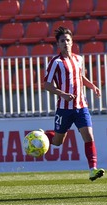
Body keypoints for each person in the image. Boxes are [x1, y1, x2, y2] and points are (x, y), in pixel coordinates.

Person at [43, 26, 105, 181]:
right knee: (57, 142)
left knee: (89, 136)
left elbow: (80, 77)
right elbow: (47, 84)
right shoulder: (55, 62)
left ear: (72, 42)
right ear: (58, 44)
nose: (66, 43)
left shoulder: (78, 59)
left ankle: (93, 169)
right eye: (62, 41)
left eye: (68, 40)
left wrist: (93, 86)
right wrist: (62, 94)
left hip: (81, 106)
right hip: (64, 109)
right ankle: (42, 135)